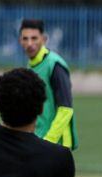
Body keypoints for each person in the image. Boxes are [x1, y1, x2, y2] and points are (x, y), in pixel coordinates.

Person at [20, 19, 77, 150]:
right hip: (38, 140)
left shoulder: (55, 65)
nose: (29, 43)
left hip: (56, 144)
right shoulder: (31, 66)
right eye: (25, 39)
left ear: (44, 39)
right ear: (20, 41)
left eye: (34, 38)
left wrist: (48, 141)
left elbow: (66, 110)